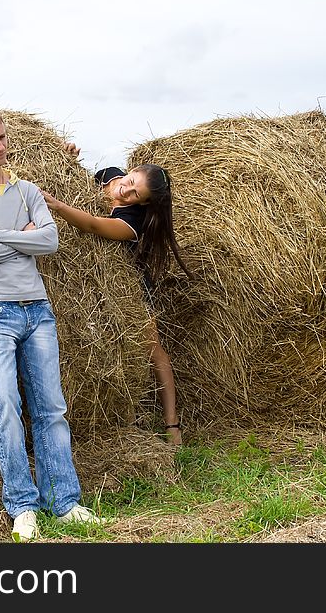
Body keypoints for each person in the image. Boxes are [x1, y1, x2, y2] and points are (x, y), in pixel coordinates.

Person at [0, 104, 104, 542]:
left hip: (37, 309)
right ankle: (22, 504)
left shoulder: (28, 189)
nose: (1, 147)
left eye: (4, 138)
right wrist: (20, 239)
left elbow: (49, 239)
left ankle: (64, 501)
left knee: (51, 407)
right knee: (6, 405)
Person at [42, 163, 191, 446]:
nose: (126, 189)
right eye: (131, 179)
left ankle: (172, 423)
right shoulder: (109, 176)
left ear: (143, 203)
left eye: (135, 193)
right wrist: (65, 157)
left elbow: (92, 224)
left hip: (128, 286)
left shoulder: (131, 222)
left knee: (152, 348)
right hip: (91, 281)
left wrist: (57, 205)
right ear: (131, 169)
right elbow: (70, 178)